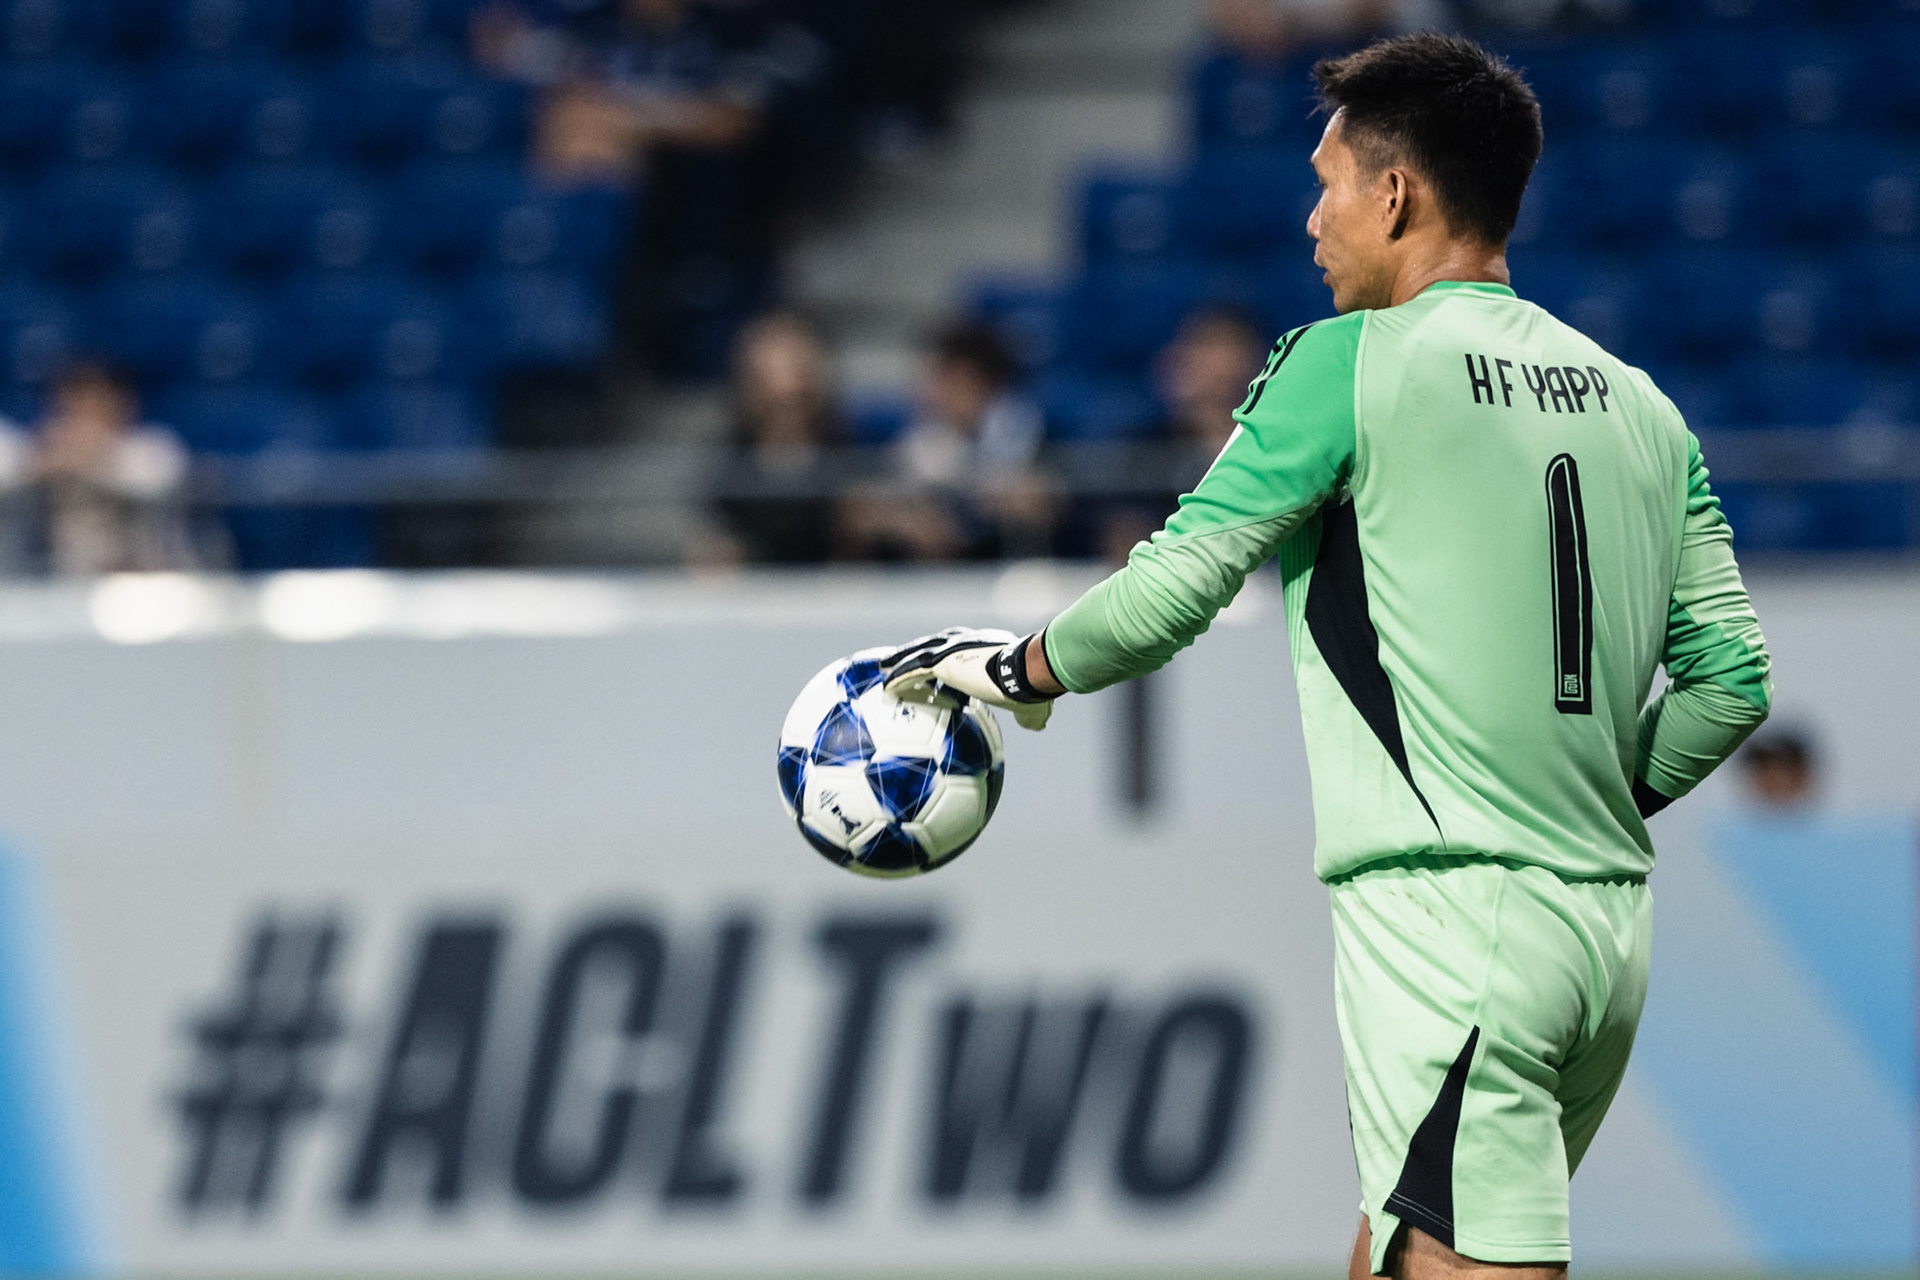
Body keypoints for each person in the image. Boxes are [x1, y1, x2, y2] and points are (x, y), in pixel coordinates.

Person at [877, 34, 1771, 1279]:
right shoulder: (1642, 405)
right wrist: (1581, 800)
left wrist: (1017, 666)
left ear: (1394, 195)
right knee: (1401, 1236)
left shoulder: (1346, 367)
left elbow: (1174, 587)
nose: (1312, 220)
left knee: (1457, 1253)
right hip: (1603, 935)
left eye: (1328, 183)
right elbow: (1733, 680)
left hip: (1451, 918)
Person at [840, 322, 1053, 562]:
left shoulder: (1023, 430)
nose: (937, 392)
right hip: (930, 566)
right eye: (937, 380)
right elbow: (870, 506)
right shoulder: (918, 439)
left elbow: (1039, 500)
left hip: (1001, 561)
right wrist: (904, 521)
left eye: (960, 381)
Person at [703, 310, 844, 565]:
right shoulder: (726, 473)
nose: (787, 388)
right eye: (766, 374)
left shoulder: (851, 462)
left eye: (798, 367)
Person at [32, 363, 198, 576]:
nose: (88, 411)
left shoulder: (153, 444)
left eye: (100, 400)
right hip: (60, 577)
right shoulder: (44, 448)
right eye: (78, 400)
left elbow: (153, 484)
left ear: (125, 402)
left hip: (146, 576)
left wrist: (94, 456)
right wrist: (42, 464)